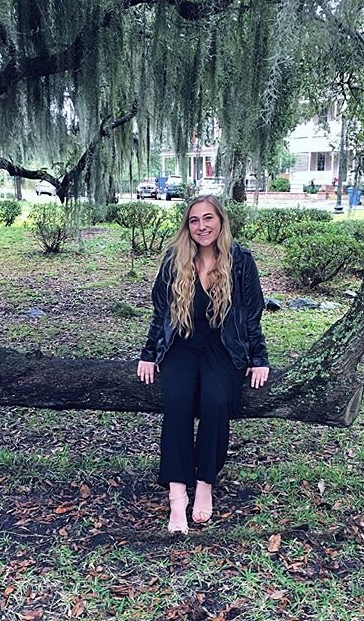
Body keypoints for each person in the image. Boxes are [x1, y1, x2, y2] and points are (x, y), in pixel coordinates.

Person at [137, 195, 270, 535]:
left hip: (223, 346)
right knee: (177, 401)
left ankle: (205, 483)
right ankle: (177, 493)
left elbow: (252, 314)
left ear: (221, 221)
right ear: (188, 226)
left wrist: (259, 359)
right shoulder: (175, 259)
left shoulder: (241, 260)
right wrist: (149, 353)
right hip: (182, 342)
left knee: (216, 400)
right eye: (194, 220)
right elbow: (160, 312)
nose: (202, 226)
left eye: (208, 218)